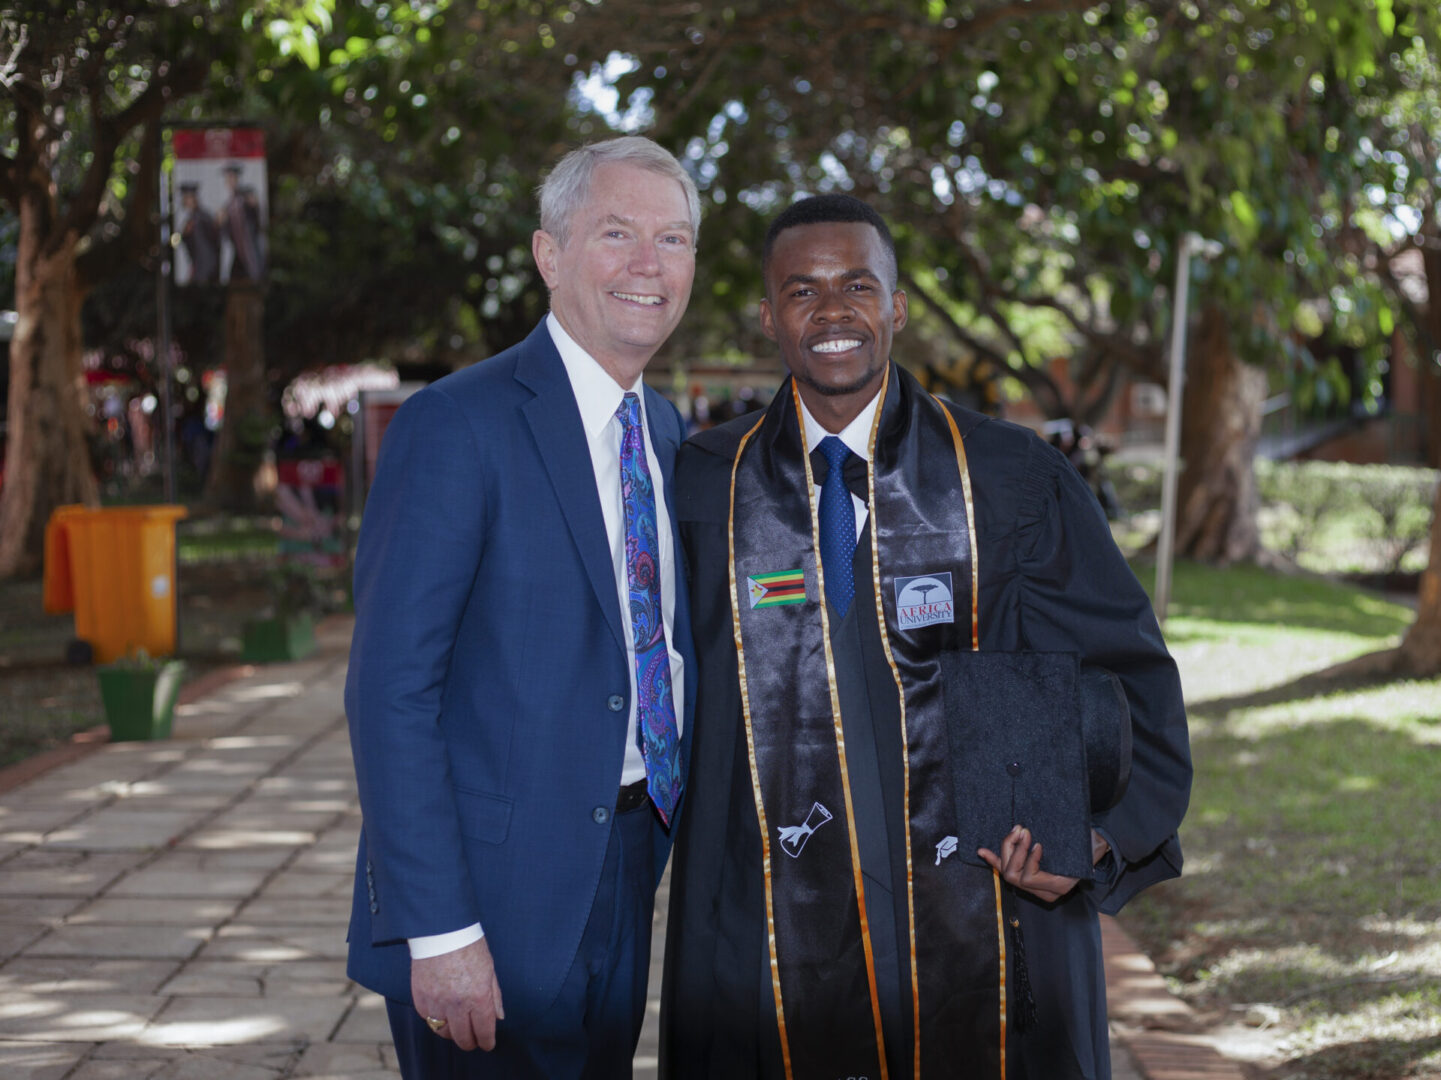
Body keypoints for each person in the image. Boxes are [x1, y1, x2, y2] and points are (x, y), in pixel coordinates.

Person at [659, 194, 1191, 1079]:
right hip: (771, 917)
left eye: (857, 285)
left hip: (983, 910)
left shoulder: (1008, 477)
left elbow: (1128, 667)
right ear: (767, 317)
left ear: (896, 307)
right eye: (802, 290)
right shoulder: (706, 486)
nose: (832, 311)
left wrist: (1093, 838)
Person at [346, 135, 700, 1078]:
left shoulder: (663, 429)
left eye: (672, 240)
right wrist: (439, 930)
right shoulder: (456, 425)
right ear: (549, 255)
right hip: (491, 902)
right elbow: (390, 693)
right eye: (616, 233)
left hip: (627, 862)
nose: (646, 265)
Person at [177, 182, 220, 285]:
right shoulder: (194, 218)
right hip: (201, 268)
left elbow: (204, 250)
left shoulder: (199, 219)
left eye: (188, 197)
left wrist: (201, 275)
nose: (185, 201)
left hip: (204, 271)